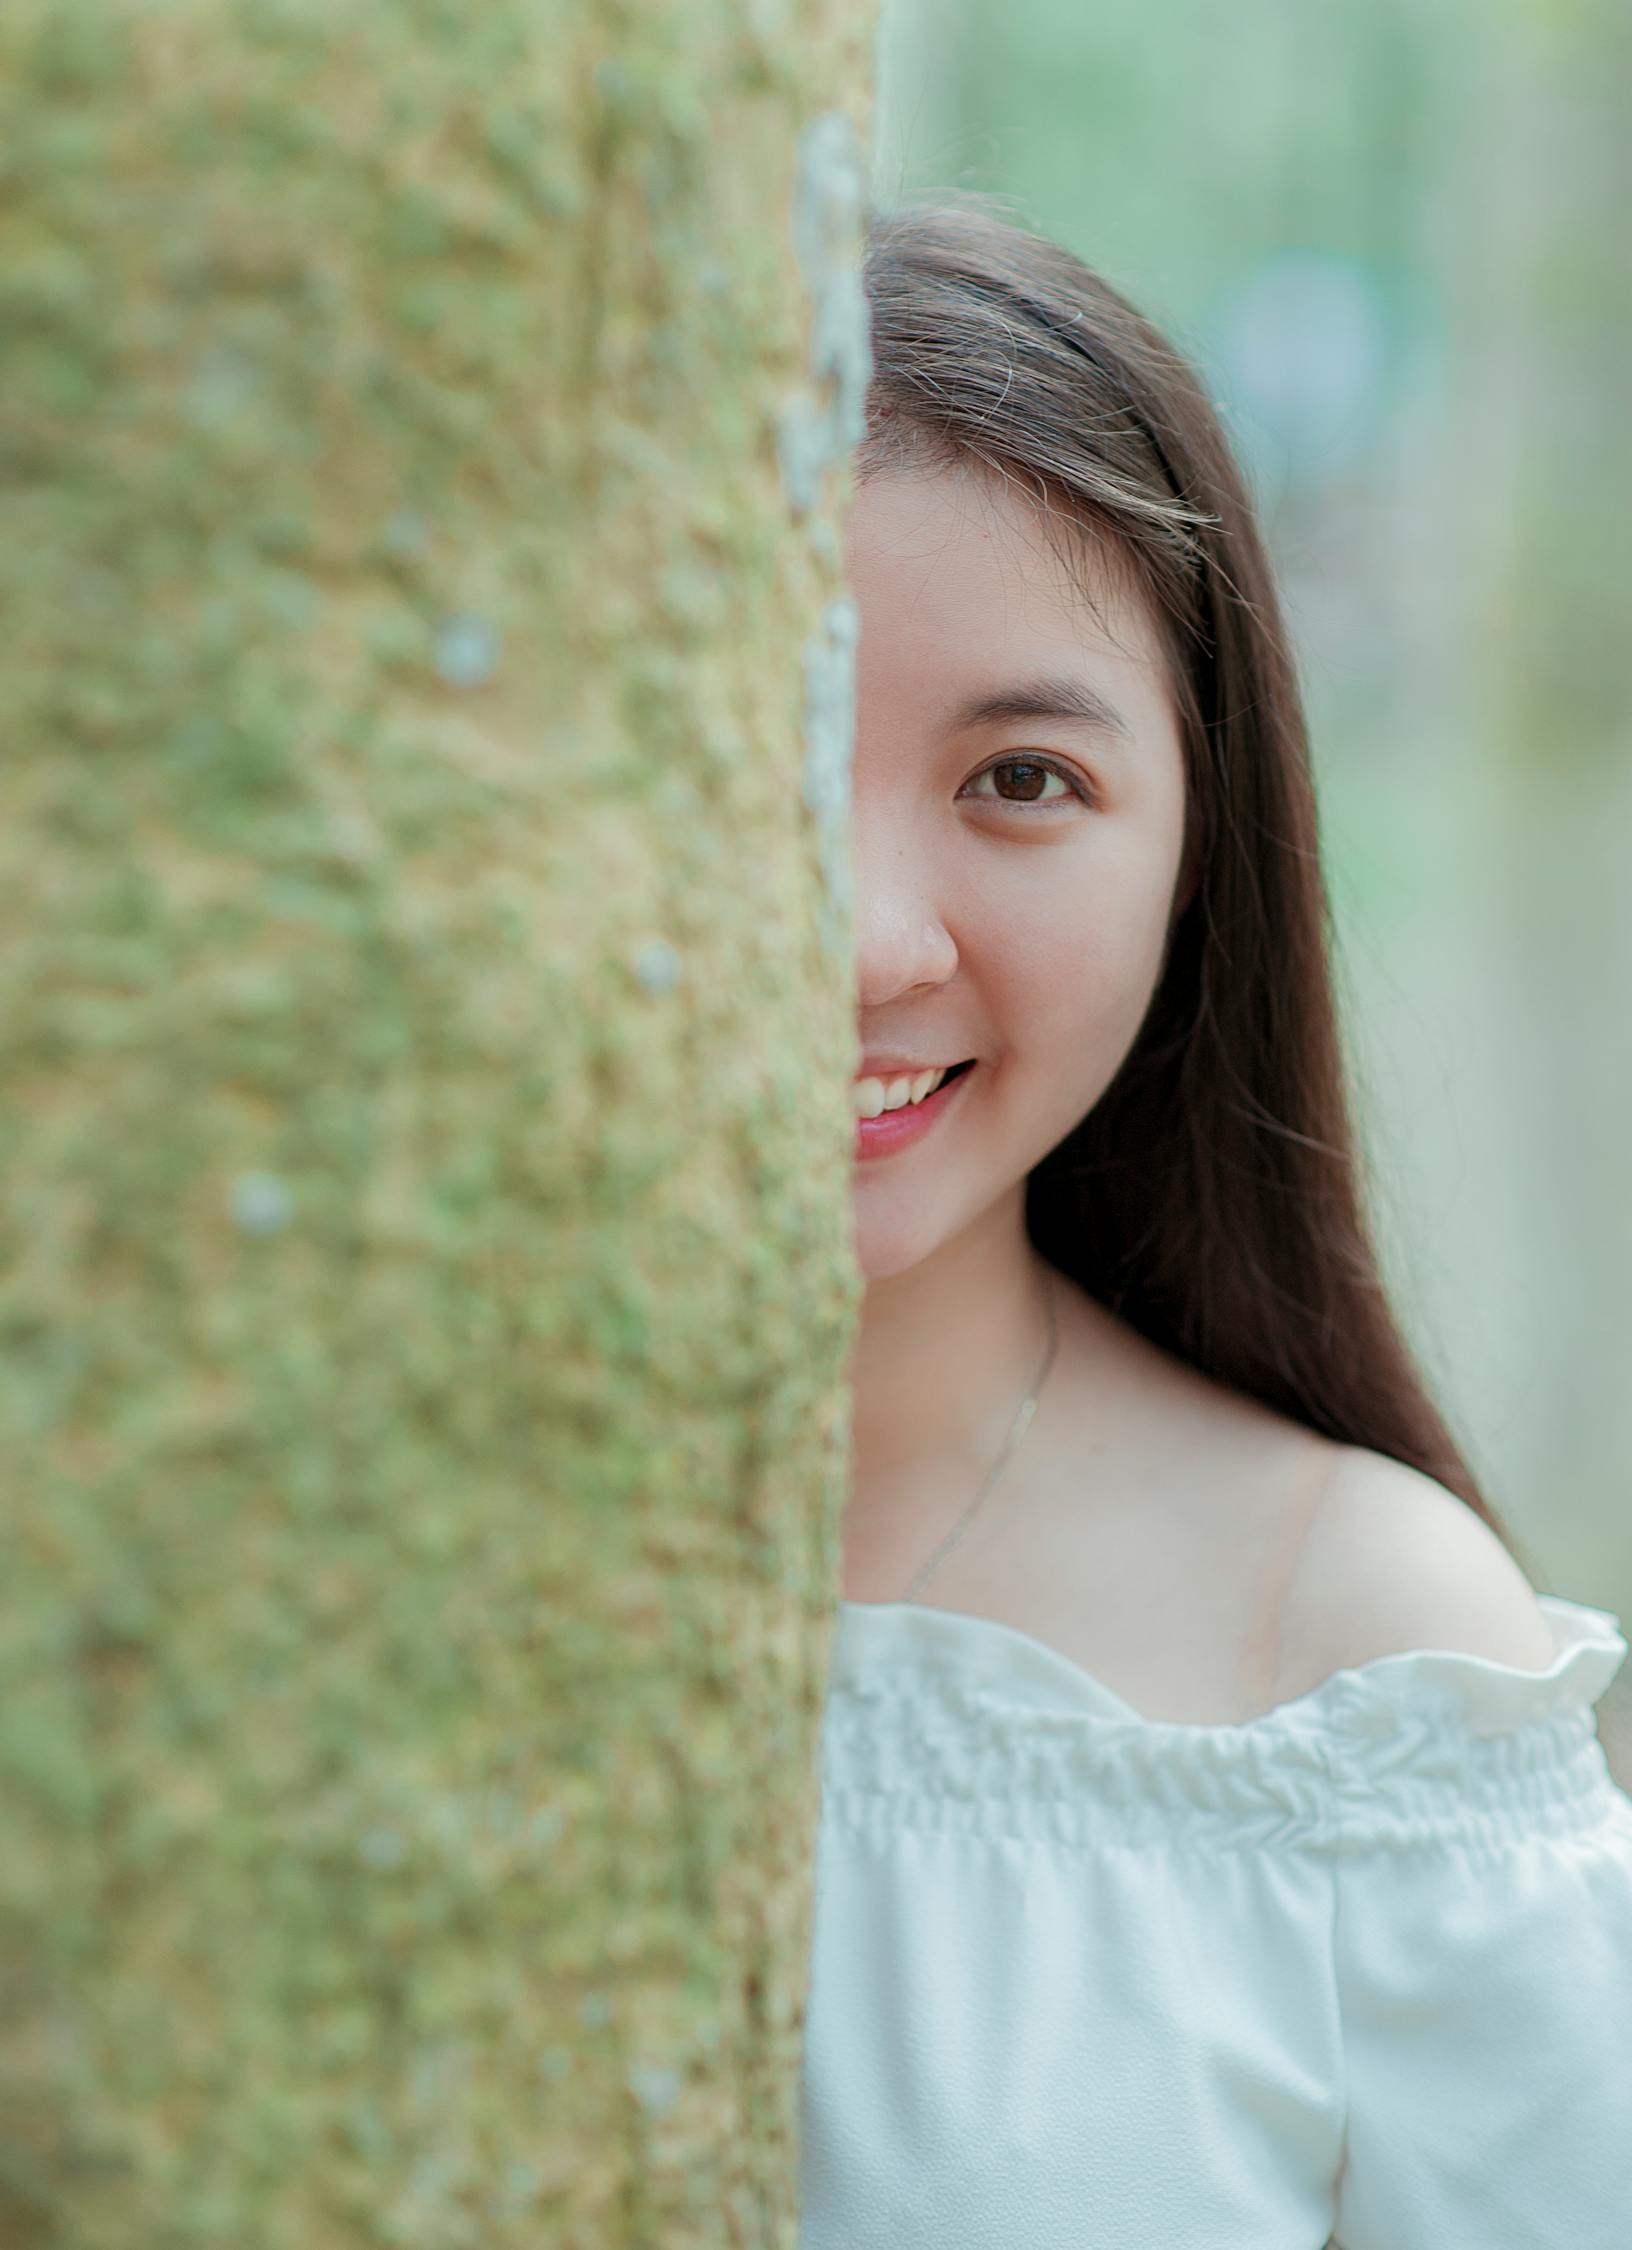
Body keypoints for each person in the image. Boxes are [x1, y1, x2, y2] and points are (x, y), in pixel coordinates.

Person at [796, 197, 1632, 2250]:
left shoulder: (1353, 1654)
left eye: (1020, 780)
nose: (862, 937)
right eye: (759, 753)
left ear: (1197, 851)